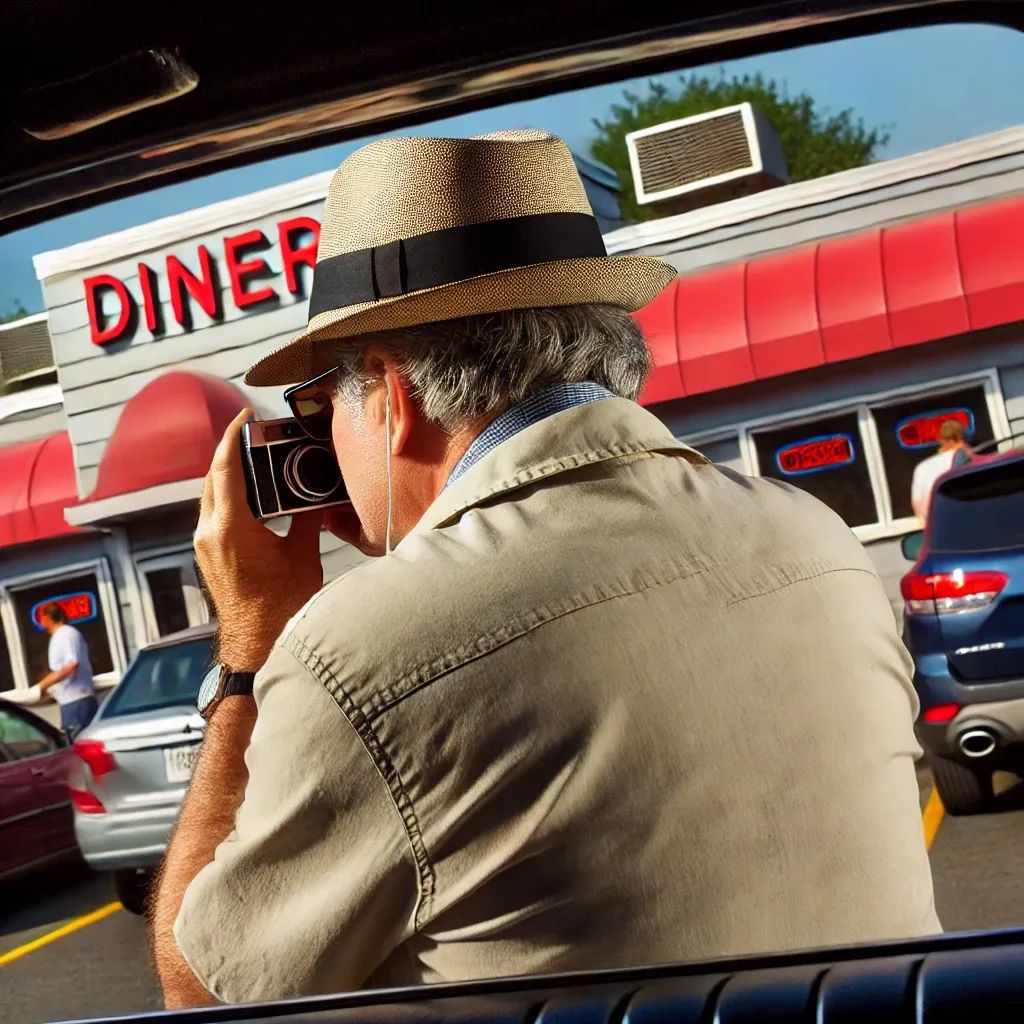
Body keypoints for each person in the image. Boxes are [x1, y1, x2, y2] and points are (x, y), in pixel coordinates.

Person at [151, 131, 939, 1008]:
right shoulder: (815, 537)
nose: (319, 436)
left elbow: (205, 992)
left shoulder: (363, 648)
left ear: (392, 392)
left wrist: (252, 640)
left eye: (319, 401)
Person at [37, 603, 98, 740]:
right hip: (69, 703)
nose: (41, 624)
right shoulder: (59, 636)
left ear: (47, 618)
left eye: (41, 619)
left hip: (77, 702)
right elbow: (61, 669)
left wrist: (44, 684)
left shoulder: (66, 633)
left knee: (79, 748)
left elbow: (72, 665)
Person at [910, 418, 972, 522]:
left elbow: (917, 504)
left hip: (938, 530)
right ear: (962, 438)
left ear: (941, 440)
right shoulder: (971, 459)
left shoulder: (922, 468)